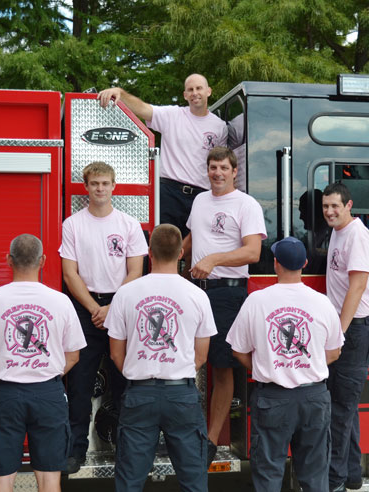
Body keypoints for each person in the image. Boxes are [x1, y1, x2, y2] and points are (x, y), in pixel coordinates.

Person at [0, 234, 86, 492]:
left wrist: (7, 372)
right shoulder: (61, 302)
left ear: (9, 260)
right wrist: (43, 374)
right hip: (48, 394)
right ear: (42, 261)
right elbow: (73, 356)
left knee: (2, 475)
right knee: (50, 478)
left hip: (4, 395)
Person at [105, 223, 217, 492]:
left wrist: (140, 370)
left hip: (139, 395)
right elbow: (201, 356)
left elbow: (115, 353)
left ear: (148, 252)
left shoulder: (125, 294)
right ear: (181, 253)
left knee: (130, 481)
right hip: (182, 395)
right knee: (193, 480)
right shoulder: (198, 296)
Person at [226, 236, 344, 492]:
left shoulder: (256, 301)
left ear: (276, 264)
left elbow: (238, 351)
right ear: (304, 263)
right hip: (314, 398)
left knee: (268, 476)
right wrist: (304, 365)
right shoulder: (323, 303)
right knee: (315, 478)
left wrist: (266, 366)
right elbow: (334, 353)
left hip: (272, 400)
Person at [58, 161, 148, 473]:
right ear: (86, 187)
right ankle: (75, 452)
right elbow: (70, 274)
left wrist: (112, 308)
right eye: (94, 184)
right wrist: (95, 309)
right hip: (84, 309)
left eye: (105, 183)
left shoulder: (128, 224)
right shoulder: (73, 224)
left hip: (120, 308)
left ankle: (128, 451)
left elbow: (136, 271)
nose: (100, 189)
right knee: (80, 384)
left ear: (114, 186)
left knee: (125, 382)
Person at [183, 146, 267, 466]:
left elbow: (252, 253)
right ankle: (187, 433)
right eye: (212, 167)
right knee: (189, 362)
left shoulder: (246, 205)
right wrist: (167, 253)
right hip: (195, 291)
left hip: (227, 293)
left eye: (223, 168)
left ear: (234, 172)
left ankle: (210, 440)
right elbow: (192, 239)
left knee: (220, 367)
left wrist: (214, 259)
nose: (217, 173)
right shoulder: (200, 200)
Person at [97, 74, 228, 236]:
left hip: (202, 196)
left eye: (199, 88)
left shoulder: (219, 127)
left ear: (208, 91)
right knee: (164, 247)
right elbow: (144, 109)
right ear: (185, 95)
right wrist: (120, 93)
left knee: (195, 249)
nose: (195, 93)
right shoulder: (172, 115)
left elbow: (221, 166)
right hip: (169, 193)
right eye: (190, 89)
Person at [322, 182, 369, 492]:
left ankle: (333, 482)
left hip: (355, 330)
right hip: (347, 329)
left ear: (349, 205)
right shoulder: (338, 231)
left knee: (339, 411)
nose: (330, 211)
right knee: (346, 408)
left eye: (335, 206)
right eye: (325, 206)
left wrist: (339, 334)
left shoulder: (356, 235)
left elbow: (357, 286)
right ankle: (353, 476)